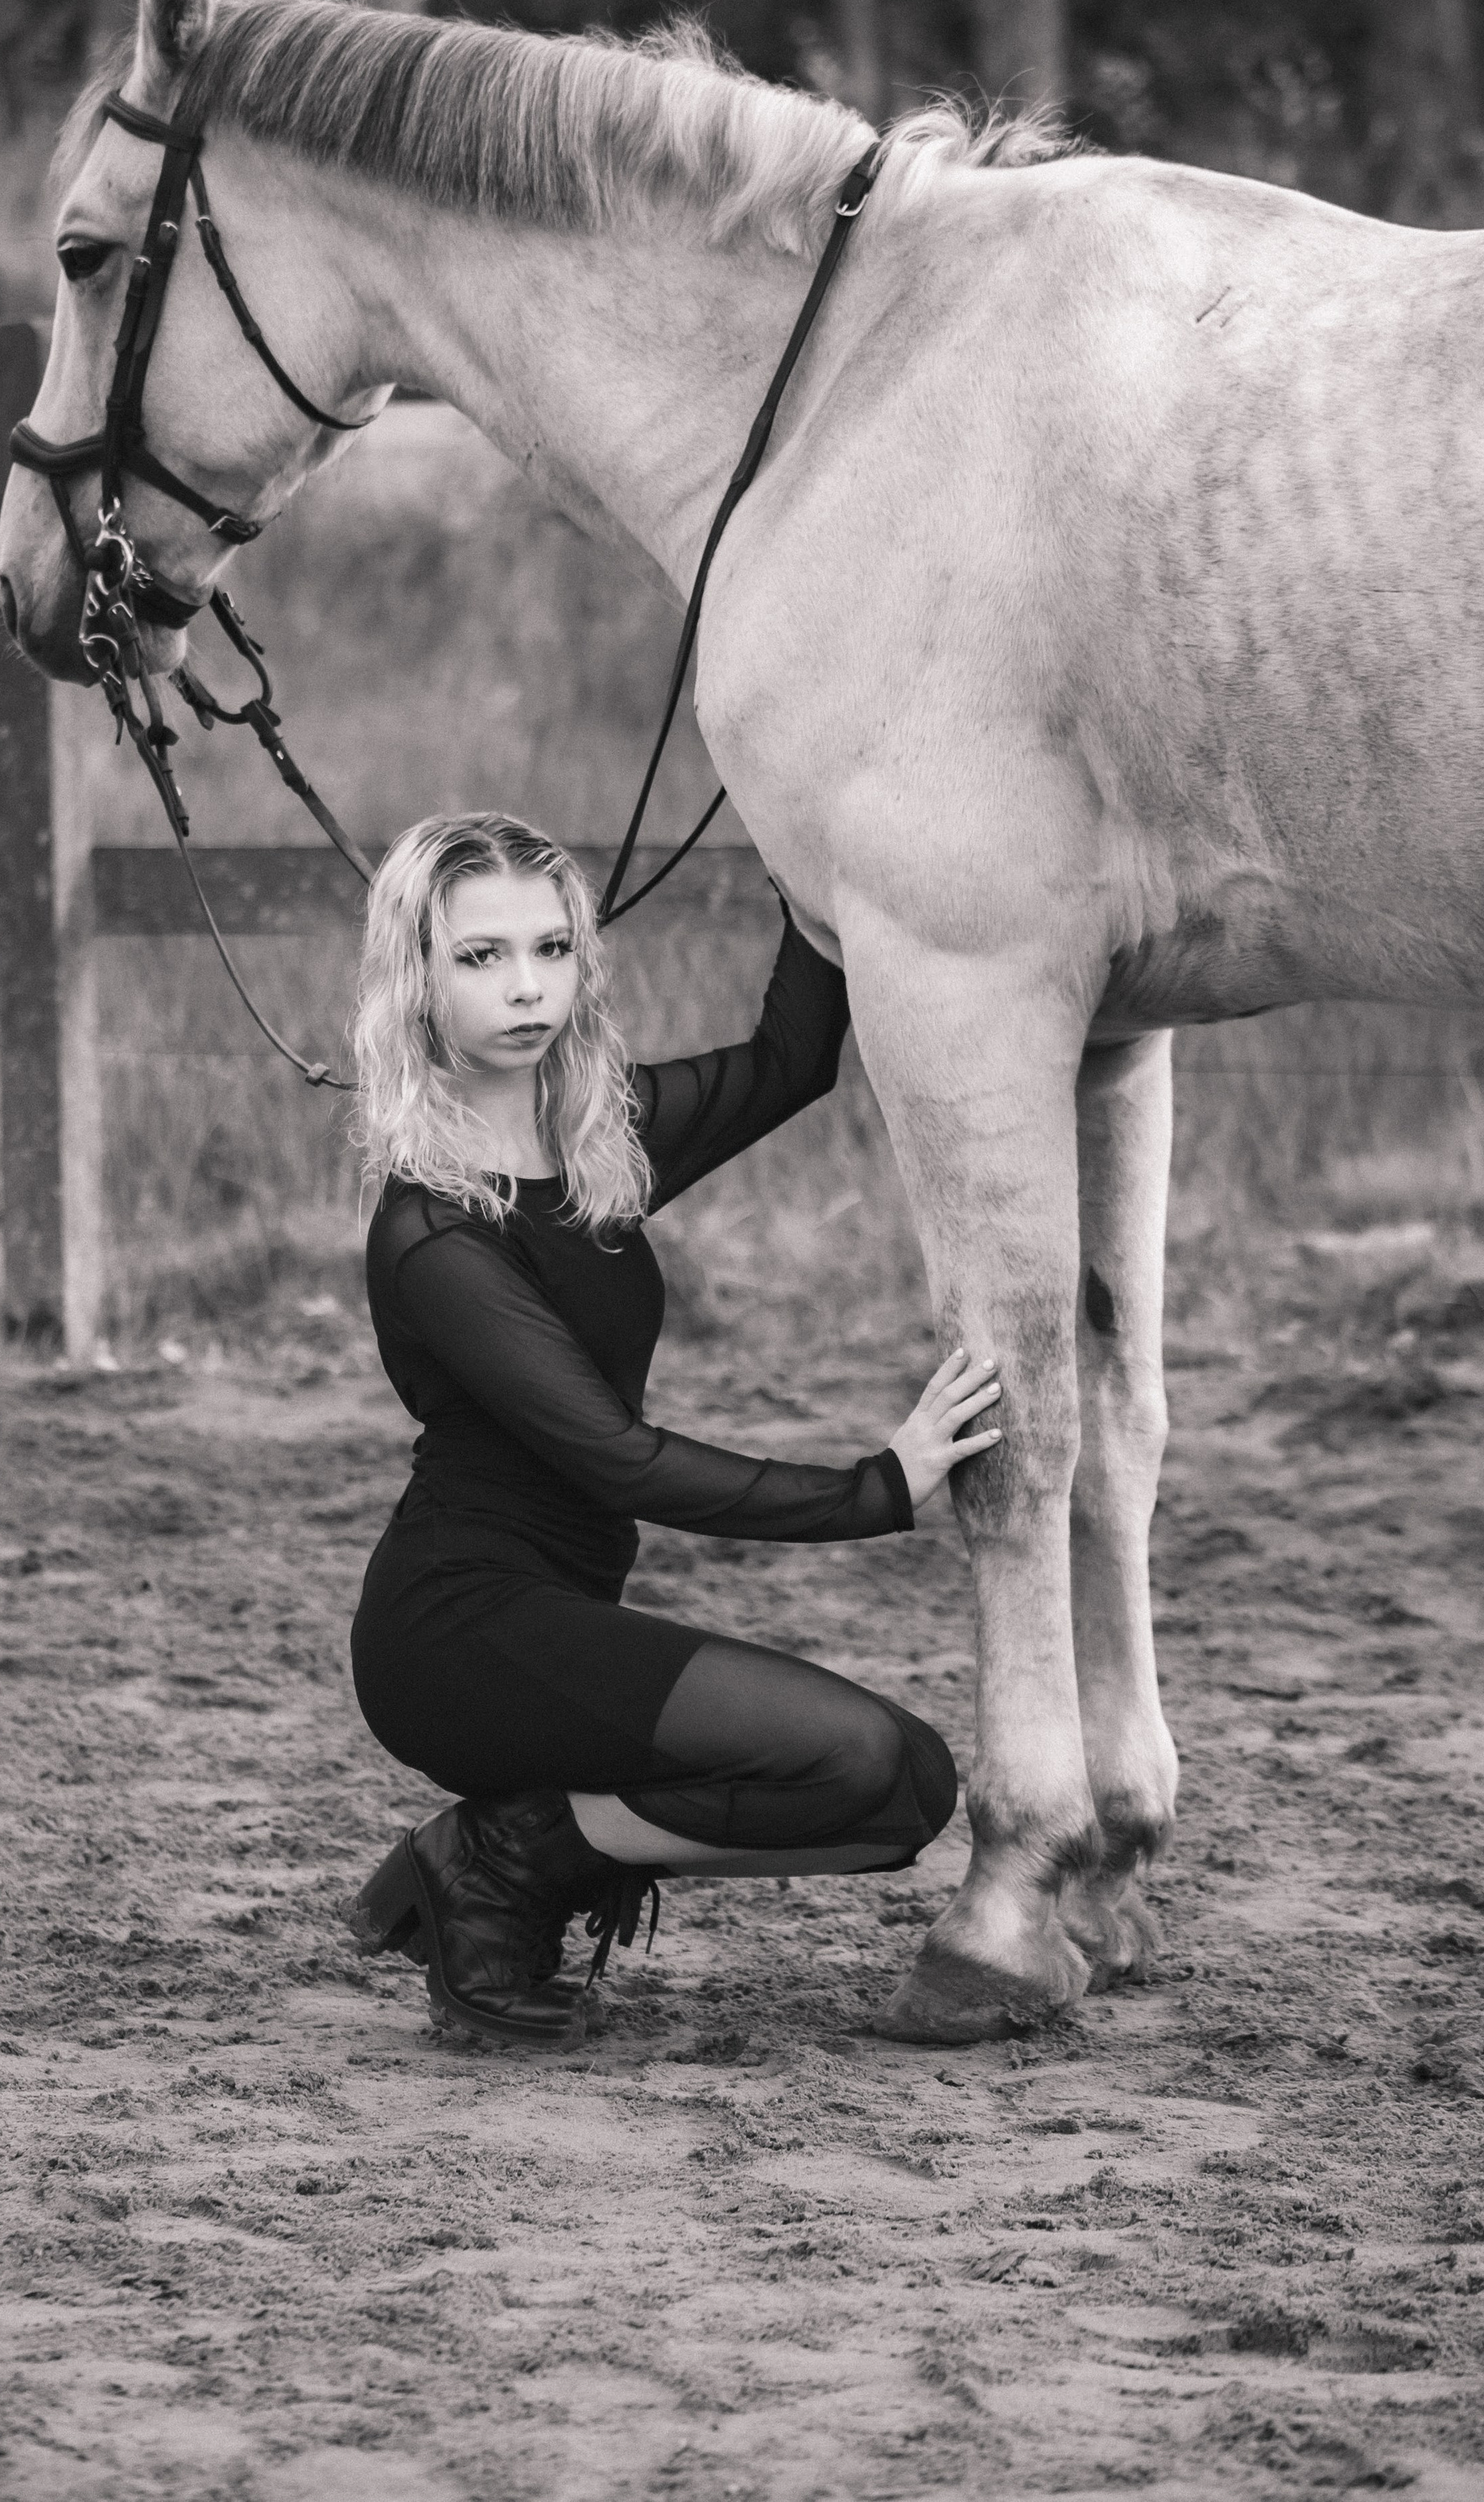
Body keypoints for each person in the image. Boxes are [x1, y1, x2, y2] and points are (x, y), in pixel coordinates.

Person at [344, 812, 1002, 2047]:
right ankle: (502, 1861)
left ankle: (513, 1856)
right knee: (866, 1769)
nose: (526, 987)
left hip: (560, 1609)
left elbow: (793, 1060)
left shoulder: (598, 1138)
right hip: (454, 1634)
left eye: (550, 948)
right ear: (417, 983)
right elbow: (615, 1458)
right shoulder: (434, 1232)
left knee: (905, 1786)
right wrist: (877, 1489)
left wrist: (812, 842)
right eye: (480, 958)